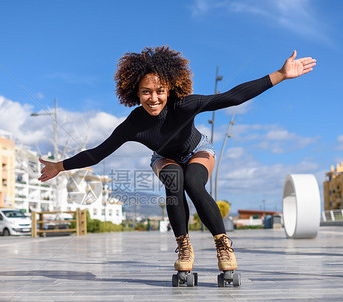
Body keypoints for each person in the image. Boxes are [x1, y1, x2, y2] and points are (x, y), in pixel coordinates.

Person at [39, 46, 316, 275]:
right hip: (164, 158)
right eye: (146, 91)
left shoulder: (185, 105)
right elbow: (98, 153)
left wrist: (280, 74)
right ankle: (184, 246)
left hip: (198, 150)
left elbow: (232, 97)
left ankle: (223, 245)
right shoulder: (133, 124)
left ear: (170, 89)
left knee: (194, 183)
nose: (153, 98)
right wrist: (58, 166)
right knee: (175, 181)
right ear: (136, 92)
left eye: (159, 91)